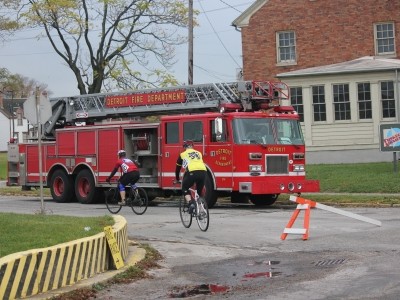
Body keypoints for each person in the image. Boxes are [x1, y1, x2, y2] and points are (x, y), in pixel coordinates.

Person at [175, 140, 207, 214]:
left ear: (184, 147)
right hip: (203, 172)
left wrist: (177, 179)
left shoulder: (182, 154)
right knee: (199, 192)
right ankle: (201, 209)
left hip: (192, 172)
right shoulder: (199, 153)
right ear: (192, 146)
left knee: (185, 187)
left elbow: (178, 169)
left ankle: (191, 203)